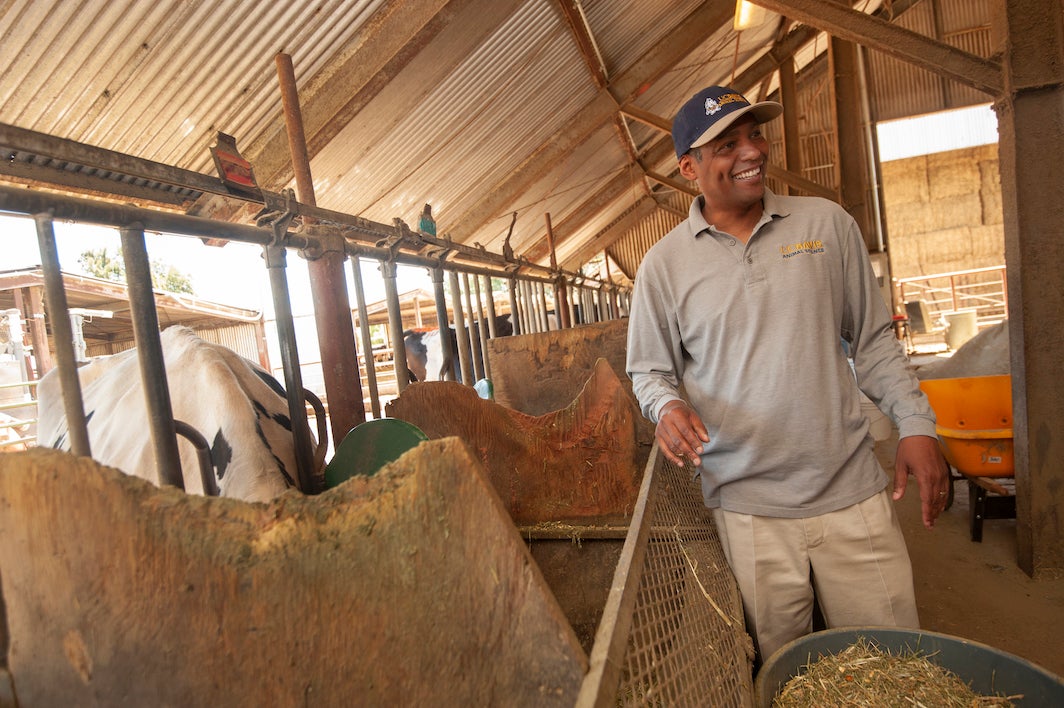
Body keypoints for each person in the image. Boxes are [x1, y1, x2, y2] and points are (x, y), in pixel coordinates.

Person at [625, 85, 950, 665]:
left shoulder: (826, 225)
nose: (751, 151)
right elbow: (649, 371)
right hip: (748, 507)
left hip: (851, 492)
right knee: (787, 667)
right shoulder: (664, 266)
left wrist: (916, 423)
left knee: (894, 666)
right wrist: (667, 407)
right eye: (726, 144)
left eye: (754, 134)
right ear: (688, 166)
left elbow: (872, 340)